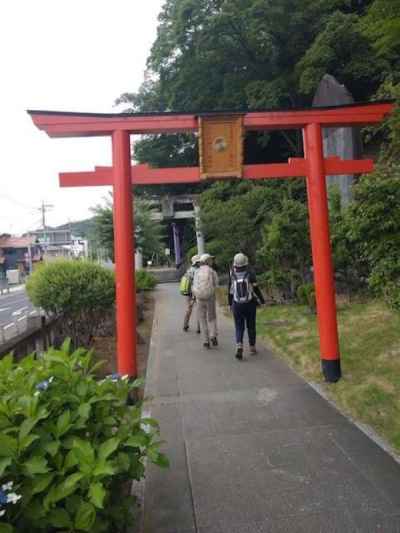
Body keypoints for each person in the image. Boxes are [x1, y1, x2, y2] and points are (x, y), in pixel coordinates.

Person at [228, 252, 265, 360]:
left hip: (237, 304)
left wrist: (230, 304)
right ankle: (252, 347)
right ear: (245, 262)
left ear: (235, 263)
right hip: (249, 304)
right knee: (251, 325)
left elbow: (230, 291)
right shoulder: (250, 272)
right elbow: (256, 289)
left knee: (239, 326)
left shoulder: (232, 273)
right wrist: (262, 300)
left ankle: (239, 345)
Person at [192, 253, 218, 349]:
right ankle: (213, 335)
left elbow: (194, 285)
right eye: (211, 260)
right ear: (207, 261)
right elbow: (216, 283)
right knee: (212, 317)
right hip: (210, 297)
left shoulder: (197, 272)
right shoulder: (212, 271)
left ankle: (206, 341)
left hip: (199, 298)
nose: (212, 261)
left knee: (202, 319)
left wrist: (195, 295)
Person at [183, 254, 201, 333]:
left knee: (189, 309)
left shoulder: (189, 270)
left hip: (188, 292)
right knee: (198, 309)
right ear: (197, 262)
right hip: (196, 291)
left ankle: (185, 325)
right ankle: (199, 328)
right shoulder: (198, 270)